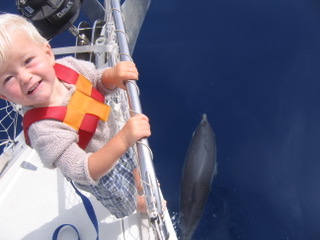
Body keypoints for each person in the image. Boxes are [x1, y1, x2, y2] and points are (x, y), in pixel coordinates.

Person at [0, 13, 149, 218]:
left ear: (48, 53)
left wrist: (111, 76)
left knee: (134, 165)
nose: (25, 78)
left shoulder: (70, 67)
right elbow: (83, 171)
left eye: (28, 61)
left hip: (115, 137)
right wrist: (124, 139)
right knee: (126, 199)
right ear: (3, 95)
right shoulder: (43, 130)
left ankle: (141, 183)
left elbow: (96, 82)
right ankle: (139, 204)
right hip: (102, 173)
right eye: (8, 78)